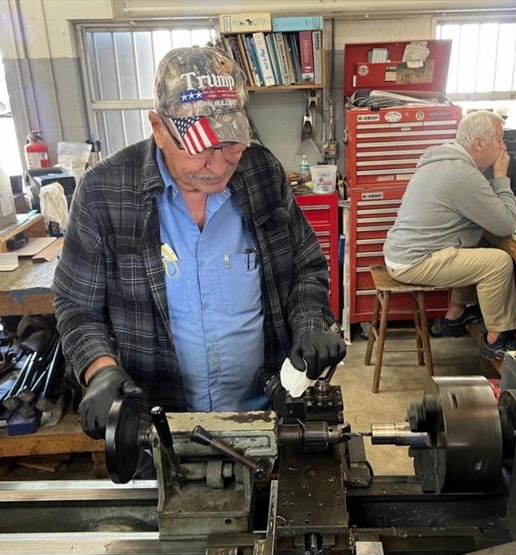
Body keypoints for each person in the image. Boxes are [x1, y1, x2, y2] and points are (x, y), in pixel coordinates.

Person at [53, 46, 345, 439]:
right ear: (159, 128)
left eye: (230, 144)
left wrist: (310, 323)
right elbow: (76, 305)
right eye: (201, 148)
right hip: (161, 430)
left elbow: (305, 267)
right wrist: (99, 369)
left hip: (267, 418)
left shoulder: (261, 173)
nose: (220, 163)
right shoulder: (104, 192)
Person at [382, 110, 516, 360]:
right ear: (479, 143)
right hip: (414, 261)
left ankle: (455, 316)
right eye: (499, 140)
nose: (504, 147)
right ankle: (497, 338)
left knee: (474, 244)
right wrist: (502, 178)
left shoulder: (442, 159)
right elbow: (505, 225)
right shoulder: (462, 174)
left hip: (402, 253)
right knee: (498, 262)